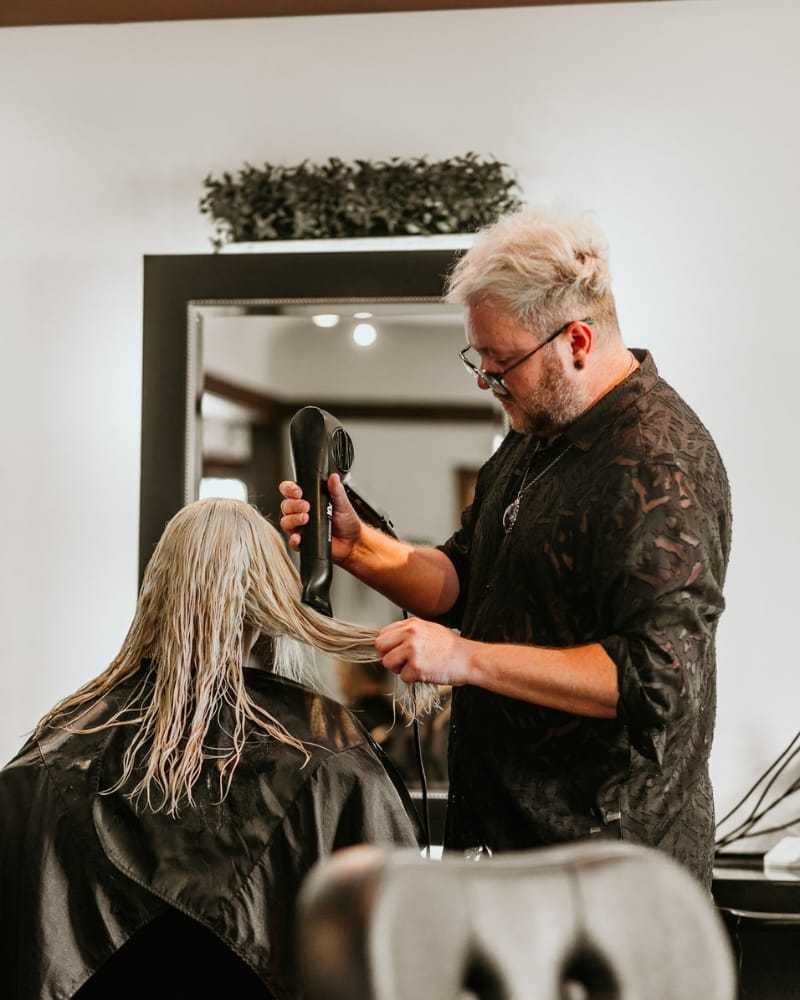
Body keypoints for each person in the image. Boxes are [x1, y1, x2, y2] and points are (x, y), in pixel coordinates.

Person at [280, 207, 732, 888]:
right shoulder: (535, 439)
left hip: (607, 880)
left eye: (501, 362)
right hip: (503, 851)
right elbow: (467, 579)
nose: (484, 380)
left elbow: (658, 682)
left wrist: (464, 659)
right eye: (478, 358)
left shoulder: (657, 466)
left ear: (576, 340)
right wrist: (358, 549)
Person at [0, 499, 420, 1000]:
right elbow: (401, 959)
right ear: (275, 602)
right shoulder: (333, 762)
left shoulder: (56, 752)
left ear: (157, 592)